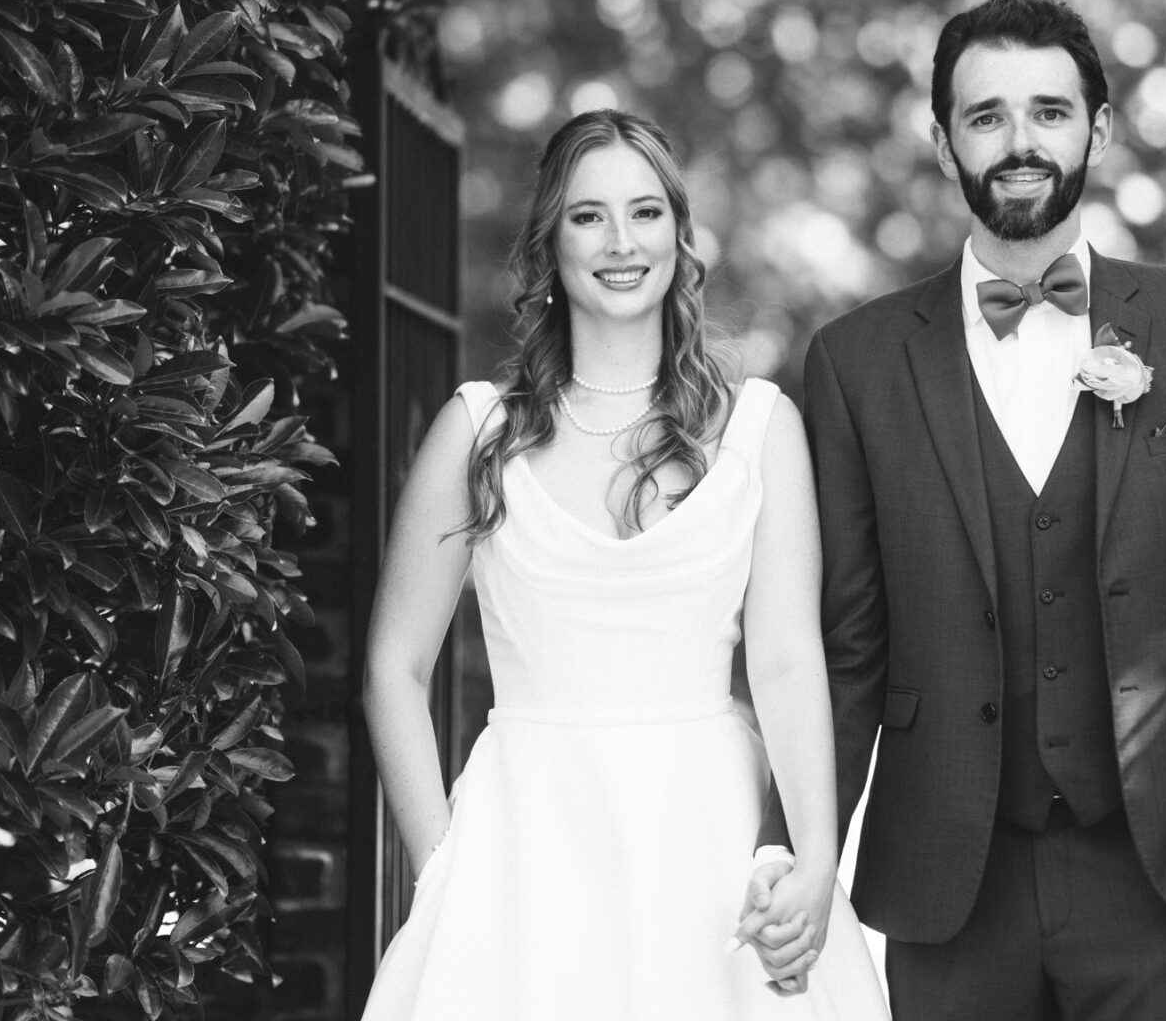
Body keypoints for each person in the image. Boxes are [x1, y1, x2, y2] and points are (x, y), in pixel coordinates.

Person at [747, 0, 1166, 1019]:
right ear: (942, 141)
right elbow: (848, 646)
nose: (1021, 142)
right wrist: (792, 846)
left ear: (1098, 129)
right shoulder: (857, 361)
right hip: (950, 881)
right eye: (987, 116)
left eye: (1050, 112)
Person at [360, 108, 887, 1019]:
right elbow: (392, 666)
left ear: (681, 239)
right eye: (587, 215)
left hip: (710, 846)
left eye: (645, 213)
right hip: (522, 852)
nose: (619, 241)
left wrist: (808, 855)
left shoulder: (761, 428)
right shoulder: (479, 431)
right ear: (549, 243)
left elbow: (790, 661)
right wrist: (440, 863)